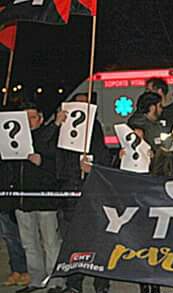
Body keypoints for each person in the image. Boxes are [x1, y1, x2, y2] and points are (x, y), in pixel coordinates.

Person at [54, 93, 112, 293]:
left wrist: (92, 166)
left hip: (91, 192)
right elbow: (47, 151)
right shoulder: (61, 126)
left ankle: (101, 284)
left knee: (97, 239)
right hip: (69, 192)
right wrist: (54, 125)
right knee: (73, 241)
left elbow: (104, 157)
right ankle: (74, 283)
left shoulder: (94, 127)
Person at [8, 103, 65, 293]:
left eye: (32, 117)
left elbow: (57, 164)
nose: (29, 121)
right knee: (29, 244)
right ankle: (36, 279)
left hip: (45, 200)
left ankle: (55, 282)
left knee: (50, 243)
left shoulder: (50, 135)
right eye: (25, 118)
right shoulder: (13, 139)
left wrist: (42, 162)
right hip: (23, 200)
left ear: (41, 118)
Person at [0, 159, 30, 288]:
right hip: (4, 194)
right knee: (9, 236)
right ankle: (17, 269)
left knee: (21, 236)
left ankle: (26, 269)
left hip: (15, 191)